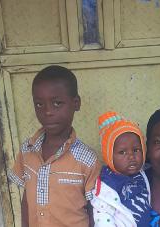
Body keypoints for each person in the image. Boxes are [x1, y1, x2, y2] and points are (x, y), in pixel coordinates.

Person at [8, 65, 101, 227]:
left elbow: (95, 209)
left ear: (76, 103)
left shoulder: (87, 160)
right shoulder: (27, 151)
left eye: (57, 103)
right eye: (39, 104)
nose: (48, 112)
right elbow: (27, 199)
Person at [91, 111, 151, 227]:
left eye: (136, 150)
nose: (131, 156)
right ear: (109, 156)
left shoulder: (143, 174)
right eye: (122, 152)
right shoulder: (107, 183)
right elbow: (102, 216)